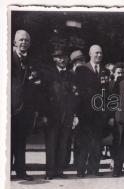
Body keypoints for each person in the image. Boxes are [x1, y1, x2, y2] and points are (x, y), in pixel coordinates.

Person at [40, 49, 79, 180]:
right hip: (52, 115)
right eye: (59, 57)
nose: (62, 60)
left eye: (64, 57)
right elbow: (44, 96)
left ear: (68, 59)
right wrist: (44, 114)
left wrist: (73, 115)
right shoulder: (48, 75)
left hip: (66, 115)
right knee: (51, 144)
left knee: (63, 144)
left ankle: (59, 170)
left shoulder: (71, 75)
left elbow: (74, 96)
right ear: (54, 59)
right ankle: (50, 172)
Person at [74, 44, 108, 177]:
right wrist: (77, 114)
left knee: (97, 143)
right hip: (85, 113)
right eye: (96, 53)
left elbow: (107, 94)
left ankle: (94, 169)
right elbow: (78, 93)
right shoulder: (82, 70)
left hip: (99, 113)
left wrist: (106, 112)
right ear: (90, 54)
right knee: (83, 143)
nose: (99, 55)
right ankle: (81, 169)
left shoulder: (105, 71)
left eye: (100, 53)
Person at [11, 30, 38, 181]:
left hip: (25, 109)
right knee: (6, 140)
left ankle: (21, 171)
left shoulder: (31, 61)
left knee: (21, 141)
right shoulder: (7, 58)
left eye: (26, 40)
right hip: (9, 107)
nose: (24, 43)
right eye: (21, 40)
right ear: (14, 42)